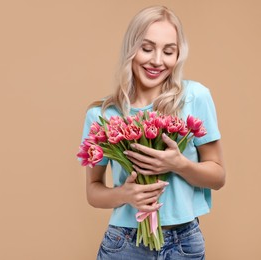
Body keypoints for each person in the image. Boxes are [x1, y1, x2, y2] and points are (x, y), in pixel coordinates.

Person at [79, 5, 225, 260]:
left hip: (184, 242)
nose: (157, 61)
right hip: (124, 243)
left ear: (178, 55)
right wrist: (124, 194)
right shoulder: (102, 115)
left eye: (168, 51)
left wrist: (179, 164)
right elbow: (93, 191)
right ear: (131, 49)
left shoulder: (195, 97)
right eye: (147, 48)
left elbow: (218, 177)